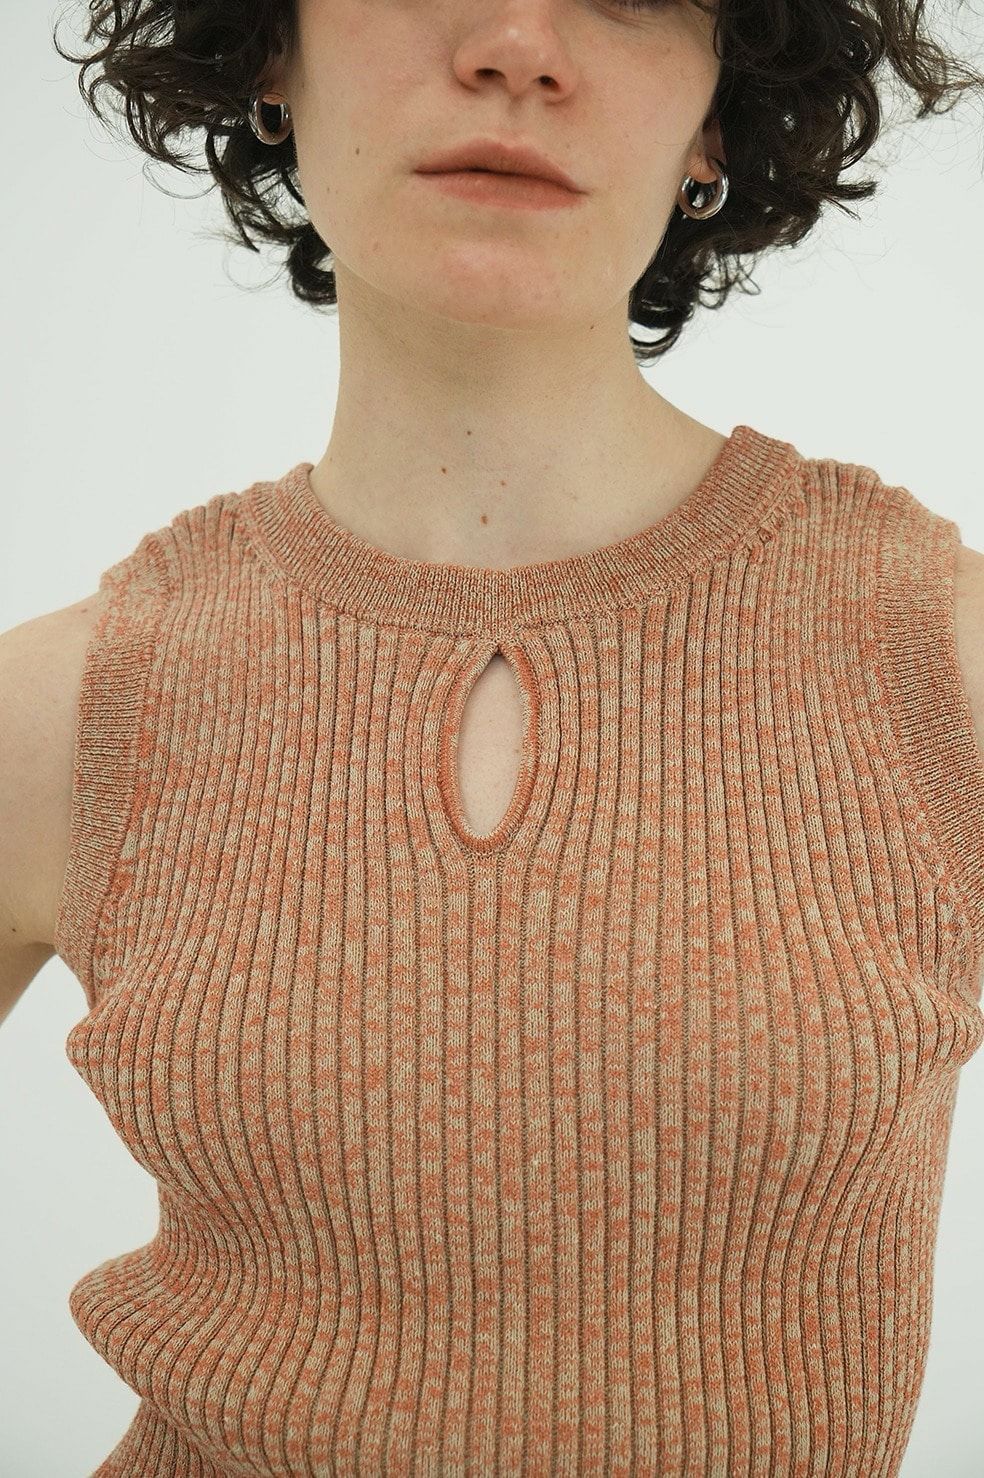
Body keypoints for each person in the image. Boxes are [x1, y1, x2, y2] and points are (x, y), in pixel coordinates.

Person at [3, 0, 984, 1472]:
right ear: (268, 48)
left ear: (720, 109)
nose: (517, 41)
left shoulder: (943, 662)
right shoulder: (62, 712)